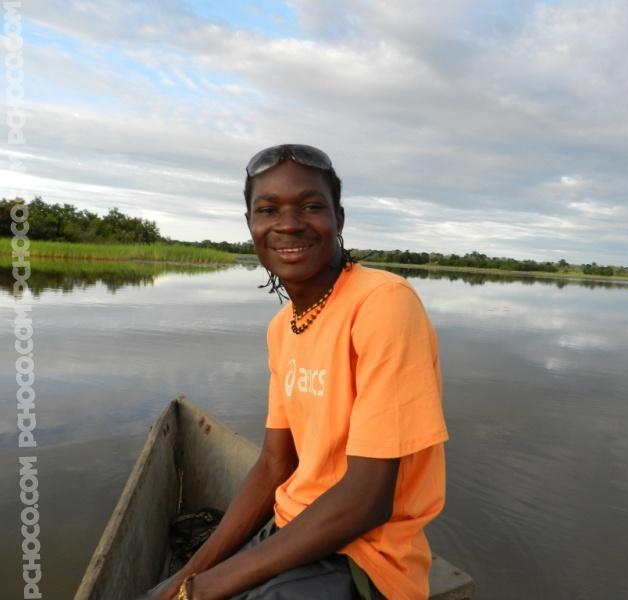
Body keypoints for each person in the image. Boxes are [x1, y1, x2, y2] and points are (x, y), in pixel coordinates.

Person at [145, 144, 448, 600]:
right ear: (251, 226)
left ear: (338, 219)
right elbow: (273, 465)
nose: (289, 223)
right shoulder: (282, 328)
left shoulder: (383, 304)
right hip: (292, 531)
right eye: (268, 209)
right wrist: (189, 576)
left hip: (365, 558)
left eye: (311, 206)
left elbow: (368, 498)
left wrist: (207, 588)